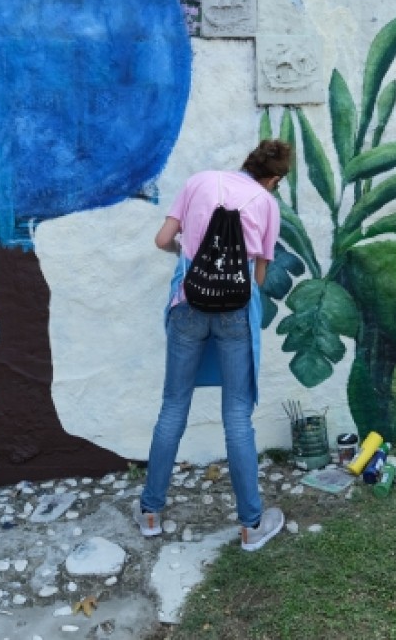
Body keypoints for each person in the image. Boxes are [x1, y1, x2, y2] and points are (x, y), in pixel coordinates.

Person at [138, 140, 291, 551]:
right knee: (237, 415)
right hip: (235, 313)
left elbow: (162, 239)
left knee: (173, 406)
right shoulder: (266, 203)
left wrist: (189, 256)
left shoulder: (199, 182)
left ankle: (151, 513)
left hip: (187, 304)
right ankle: (250, 525)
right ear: (273, 178)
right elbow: (257, 280)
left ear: (247, 162)